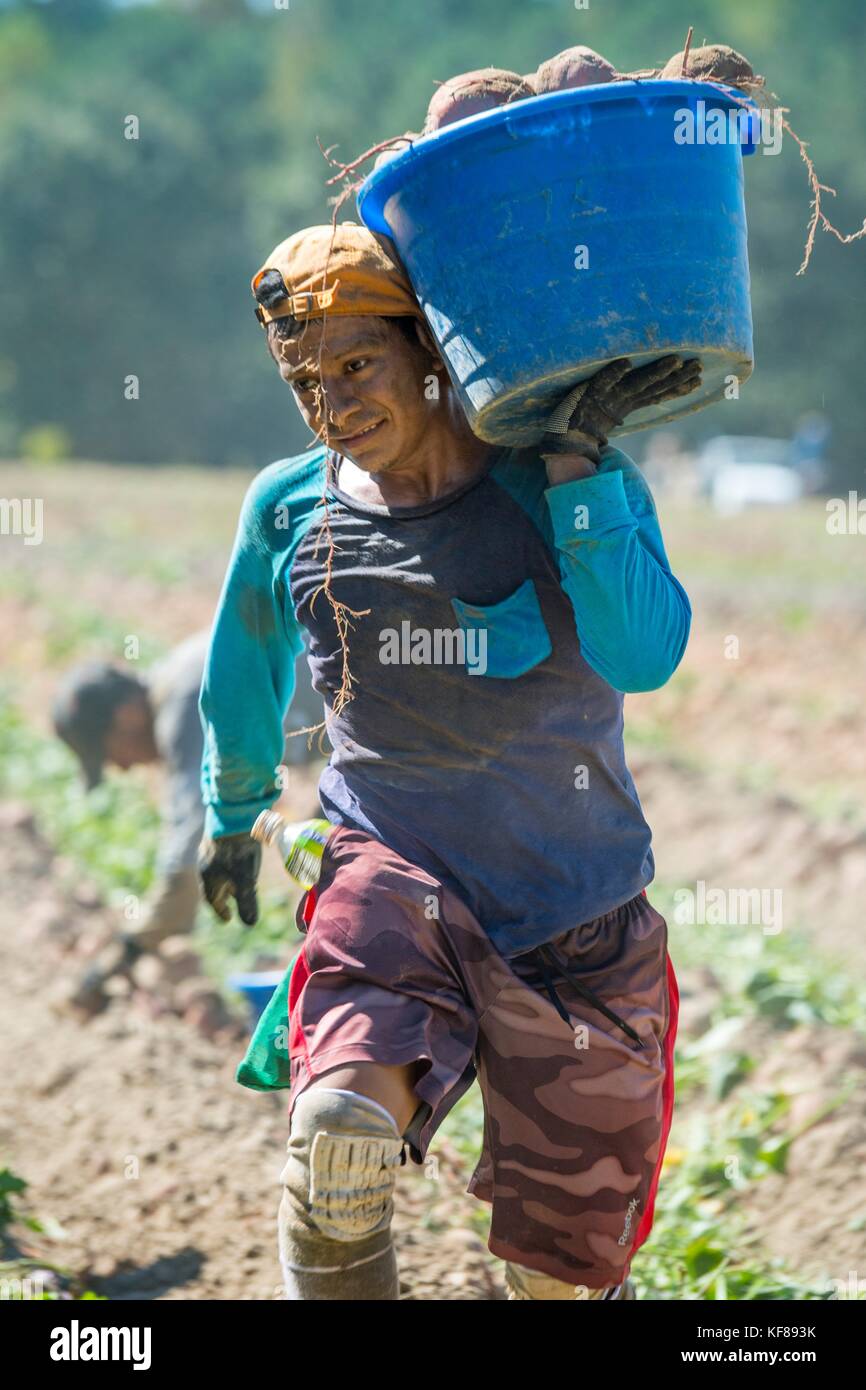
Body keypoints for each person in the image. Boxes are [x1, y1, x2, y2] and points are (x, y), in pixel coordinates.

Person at [198, 222, 696, 1301]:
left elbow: (643, 654)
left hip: (573, 910)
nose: (331, 403)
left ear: (429, 348)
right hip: (389, 878)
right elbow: (244, 670)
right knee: (336, 1148)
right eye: (302, 380)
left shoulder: (550, 480)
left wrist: (578, 467)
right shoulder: (289, 508)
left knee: (554, 1282)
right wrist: (232, 815)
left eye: (356, 364)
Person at [53, 631, 323, 1013]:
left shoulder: (182, 706)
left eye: (111, 754)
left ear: (125, 715)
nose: (124, 767)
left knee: (338, 856)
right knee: (325, 851)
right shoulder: (180, 678)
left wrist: (131, 948)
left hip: (395, 709)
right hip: (373, 712)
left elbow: (189, 851)